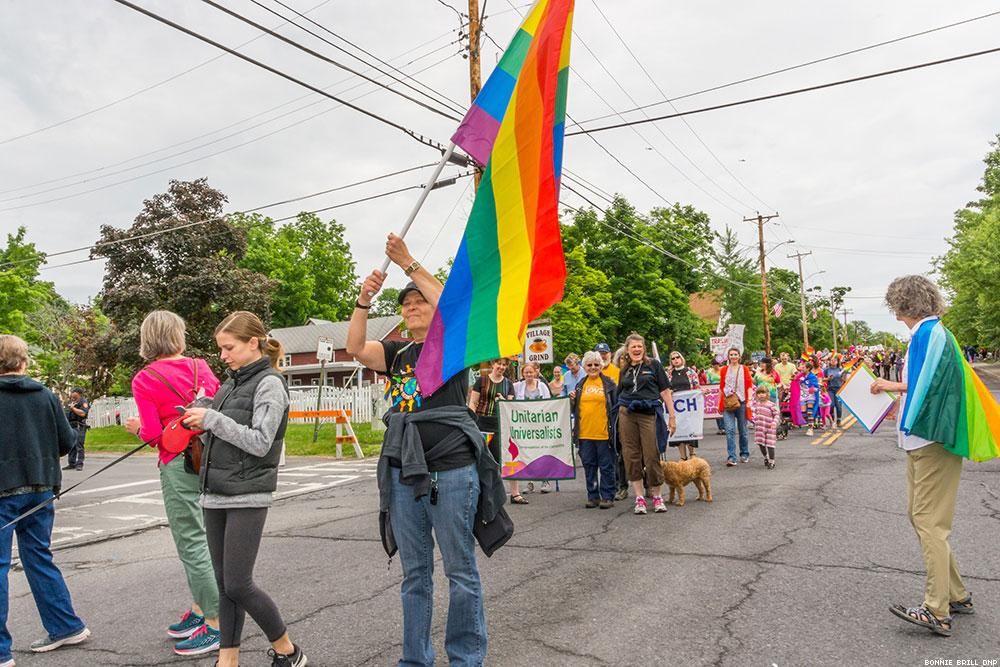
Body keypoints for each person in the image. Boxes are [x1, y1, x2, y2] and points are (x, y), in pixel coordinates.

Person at [348, 233, 503, 667]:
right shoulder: (397, 353)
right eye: (405, 303)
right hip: (404, 471)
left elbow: (457, 309)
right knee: (415, 575)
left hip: (452, 470)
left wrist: (409, 263)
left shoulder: (451, 345)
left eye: (420, 301)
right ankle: (414, 659)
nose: (412, 306)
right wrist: (363, 302)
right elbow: (357, 347)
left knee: (459, 570)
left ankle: (466, 658)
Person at [181, 311, 306, 667]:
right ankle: (228, 661)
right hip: (215, 491)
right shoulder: (231, 382)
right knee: (224, 587)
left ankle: (288, 650)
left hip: (248, 493)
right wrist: (199, 417)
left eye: (228, 347)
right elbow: (222, 434)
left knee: (238, 584)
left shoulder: (269, 383)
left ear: (253, 343)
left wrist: (213, 419)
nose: (222, 355)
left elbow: (261, 442)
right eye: (220, 349)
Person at [871, 275, 972, 637]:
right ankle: (956, 594)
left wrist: (889, 387)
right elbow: (928, 384)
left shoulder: (928, 336)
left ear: (902, 306)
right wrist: (899, 394)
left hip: (931, 440)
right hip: (925, 440)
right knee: (922, 517)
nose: (895, 314)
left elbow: (928, 385)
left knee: (929, 522)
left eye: (895, 307)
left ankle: (937, 609)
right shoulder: (931, 334)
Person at [124, 310, 222, 657]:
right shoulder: (202, 367)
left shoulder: (146, 378)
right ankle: (200, 609)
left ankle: (215, 623)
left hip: (178, 463)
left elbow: (153, 434)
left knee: (191, 540)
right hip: (212, 457)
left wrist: (135, 427)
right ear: (178, 335)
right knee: (208, 535)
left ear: (147, 339)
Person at [1, 335, 91, 665]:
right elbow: (66, 442)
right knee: (38, 556)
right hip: (40, 487)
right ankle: (65, 626)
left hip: (3, 489)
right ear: (23, 361)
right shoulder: (45, 395)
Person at [617, 333, 675, 515]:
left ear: (644, 349)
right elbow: (620, 392)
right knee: (631, 455)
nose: (636, 349)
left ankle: (657, 496)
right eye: (633, 347)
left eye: (639, 346)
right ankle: (639, 497)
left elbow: (665, 391)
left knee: (651, 454)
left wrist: (672, 416)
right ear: (627, 350)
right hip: (627, 413)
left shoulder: (654, 366)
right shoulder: (624, 369)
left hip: (649, 413)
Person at [468, 359, 521, 503]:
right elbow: (473, 402)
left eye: (504, 365)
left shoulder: (508, 384)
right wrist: (472, 420)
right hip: (481, 424)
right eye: (499, 364)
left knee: (500, 459)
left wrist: (503, 400)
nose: (502, 367)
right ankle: (482, 493)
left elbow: (510, 405)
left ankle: (508, 494)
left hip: (499, 425)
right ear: (493, 365)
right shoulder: (482, 381)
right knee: (482, 459)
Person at [572, 351, 618, 509]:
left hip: (604, 433)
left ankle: (608, 496)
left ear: (601, 366)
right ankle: (593, 496)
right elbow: (574, 410)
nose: (593, 367)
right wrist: (572, 401)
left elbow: (616, 408)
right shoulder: (579, 385)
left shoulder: (609, 384)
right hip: (585, 433)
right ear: (584, 366)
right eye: (589, 365)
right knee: (589, 466)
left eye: (596, 365)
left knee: (606, 466)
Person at [514, 362, 554, 493]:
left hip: (540, 426)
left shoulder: (542, 386)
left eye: (531, 372)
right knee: (527, 453)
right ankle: (530, 482)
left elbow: (549, 404)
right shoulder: (518, 387)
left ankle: (545, 481)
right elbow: (510, 400)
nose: (529, 375)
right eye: (526, 372)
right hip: (525, 427)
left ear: (535, 372)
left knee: (542, 452)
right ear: (523, 374)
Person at [719, 347, 753, 467]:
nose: (733, 356)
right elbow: (721, 387)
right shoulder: (723, 370)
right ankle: (731, 457)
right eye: (731, 354)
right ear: (728, 357)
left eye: (735, 354)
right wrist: (720, 403)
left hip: (741, 401)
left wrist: (749, 400)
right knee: (729, 430)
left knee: (742, 430)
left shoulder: (744, 369)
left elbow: (749, 385)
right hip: (728, 403)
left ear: (739, 356)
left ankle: (744, 453)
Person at [666, 351, 700, 461]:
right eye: (673, 358)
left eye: (677, 357)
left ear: (682, 358)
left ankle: (692, 455)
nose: (675, 360)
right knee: (678, 429)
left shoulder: (690, 372)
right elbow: (665, 389)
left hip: (689, 407)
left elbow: (696, 387)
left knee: (690, 430)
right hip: (676, 407)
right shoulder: (669, 374)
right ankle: (682, 456)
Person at [751, 386, 778, 469]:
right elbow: (754, 414)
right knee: (761, 444)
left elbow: (776, 415)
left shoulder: (771, 405)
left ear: (767, 394)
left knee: (770, 445)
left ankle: (772, 461)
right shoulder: (756, 405)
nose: (761, 395)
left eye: (763, 393)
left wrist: (774, 423)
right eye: (759, 393)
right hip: (759, 428)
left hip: (769, 427)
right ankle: (765, 457)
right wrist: (754, 419)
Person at [63, 388, 89, 471]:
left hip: (79, 426)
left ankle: (79, 464)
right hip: (70, 426)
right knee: (71, 445)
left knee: (79, 445)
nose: (71, 394)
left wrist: (73, 409)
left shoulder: (83, 402)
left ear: (78, 394)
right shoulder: (71, 402)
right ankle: (71, 463)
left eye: (73, 393)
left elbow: (83, 413)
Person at [703, 358, 725, 435]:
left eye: (717, 364)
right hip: (714, 394)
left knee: (723, 409)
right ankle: (720, 428)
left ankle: (724, 427)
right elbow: (708, 382)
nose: (716, 366)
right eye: (714, 365)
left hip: (723, 392)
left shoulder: (723, 370)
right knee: (715, 410)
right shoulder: (709, 372)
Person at [823, 355, 845, 427]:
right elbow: (822, 379)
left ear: (837, 362)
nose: (833, 362)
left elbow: (844, 379)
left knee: (838, 406)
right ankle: (832, 420)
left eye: (835, 360)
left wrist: (843, 377)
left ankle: (839, 420)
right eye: (831, 360)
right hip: (830, 389)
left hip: (838, 388)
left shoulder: (840, 369)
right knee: (831, 405)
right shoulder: (827, 370)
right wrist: (828, 379)